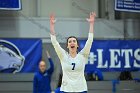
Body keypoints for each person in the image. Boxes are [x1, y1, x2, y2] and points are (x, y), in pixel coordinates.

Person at [50, 12, 96, 93]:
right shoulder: (63, 56)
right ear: (67, 46)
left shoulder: (83, 56)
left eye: (74, 41)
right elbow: (54, 42)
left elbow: (90, 41)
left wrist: (91, 24)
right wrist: (52, 25)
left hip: (81, 89)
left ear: (77, 45)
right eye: (70, 41)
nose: (72, 43)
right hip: (66, 90)